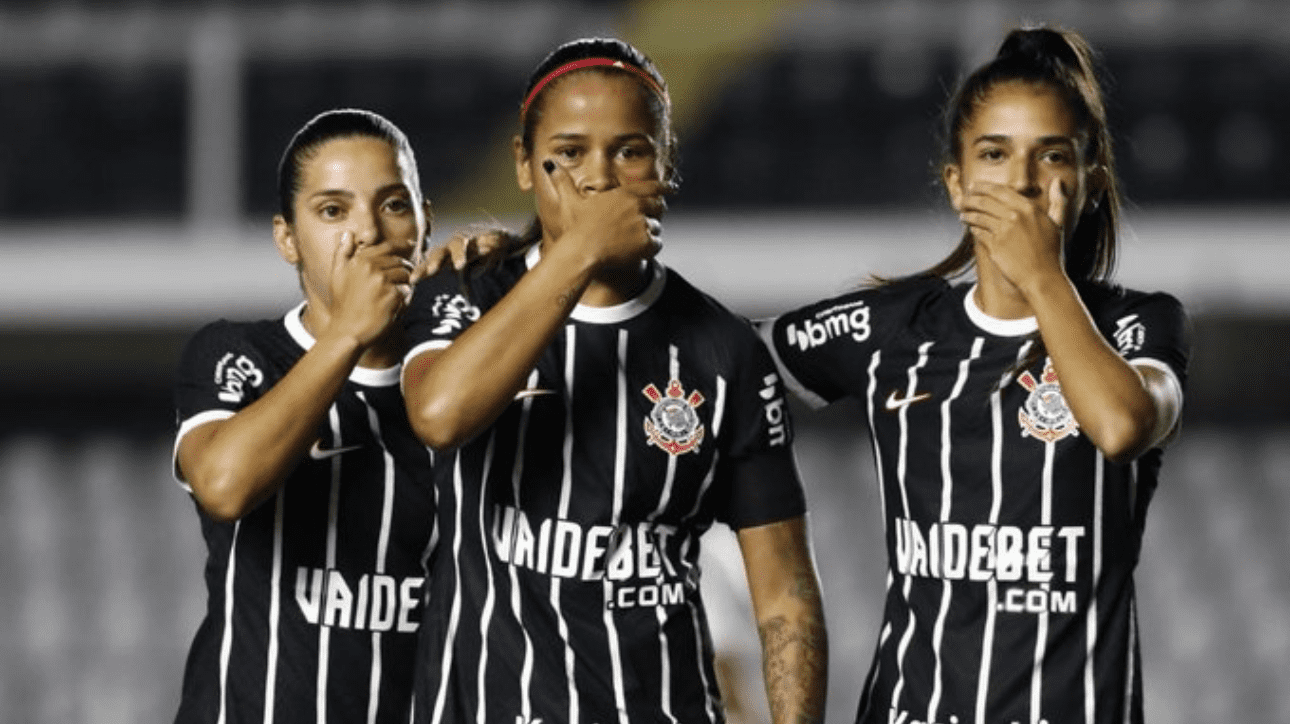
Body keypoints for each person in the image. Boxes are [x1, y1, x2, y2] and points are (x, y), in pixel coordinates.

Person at [757, 27, 1189, 724]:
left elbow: (1121, 425)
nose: (1020, 182)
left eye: (1050, 157)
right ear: (957, 184)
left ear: (1089, 179)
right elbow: (716, 358)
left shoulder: (1140, 323)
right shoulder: (894, 327)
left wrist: (1044, 276)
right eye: (994, 155)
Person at [401, 38, 827, 724]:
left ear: (666, 163)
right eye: (568, 153)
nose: (598, 177)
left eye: (628, 151)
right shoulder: (467, 290)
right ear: (522, 163)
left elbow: (784, 595)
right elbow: (439, 414)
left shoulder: (725, 350)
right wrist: (581, 252)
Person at [171, 108, 437, 723]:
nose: (367, 233)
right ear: (287, 237)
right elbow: (223, 484)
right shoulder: (238, 353)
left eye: (394, 205)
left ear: (424, 221)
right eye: (332, 211)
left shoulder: (458, 381)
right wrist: (346, 336)